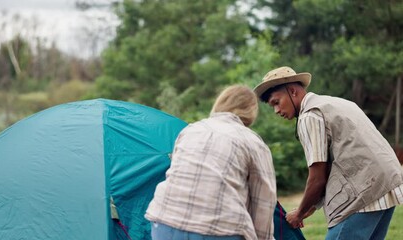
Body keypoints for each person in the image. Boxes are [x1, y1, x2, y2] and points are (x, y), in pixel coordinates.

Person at [254, 66, 403, 239]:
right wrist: (309, 208)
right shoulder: (337, 102)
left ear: (293, 91)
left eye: (276, 102)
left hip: (364, 192)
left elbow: (317, 178)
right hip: (388, 184)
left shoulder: (310, 115)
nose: (276, 111)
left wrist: (299, 214)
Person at [145, 85, 277, 240]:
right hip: (219, 228)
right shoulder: (253, 142)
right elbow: (264, 202)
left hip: (164, 220)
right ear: (251, 110)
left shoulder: (190, 130)